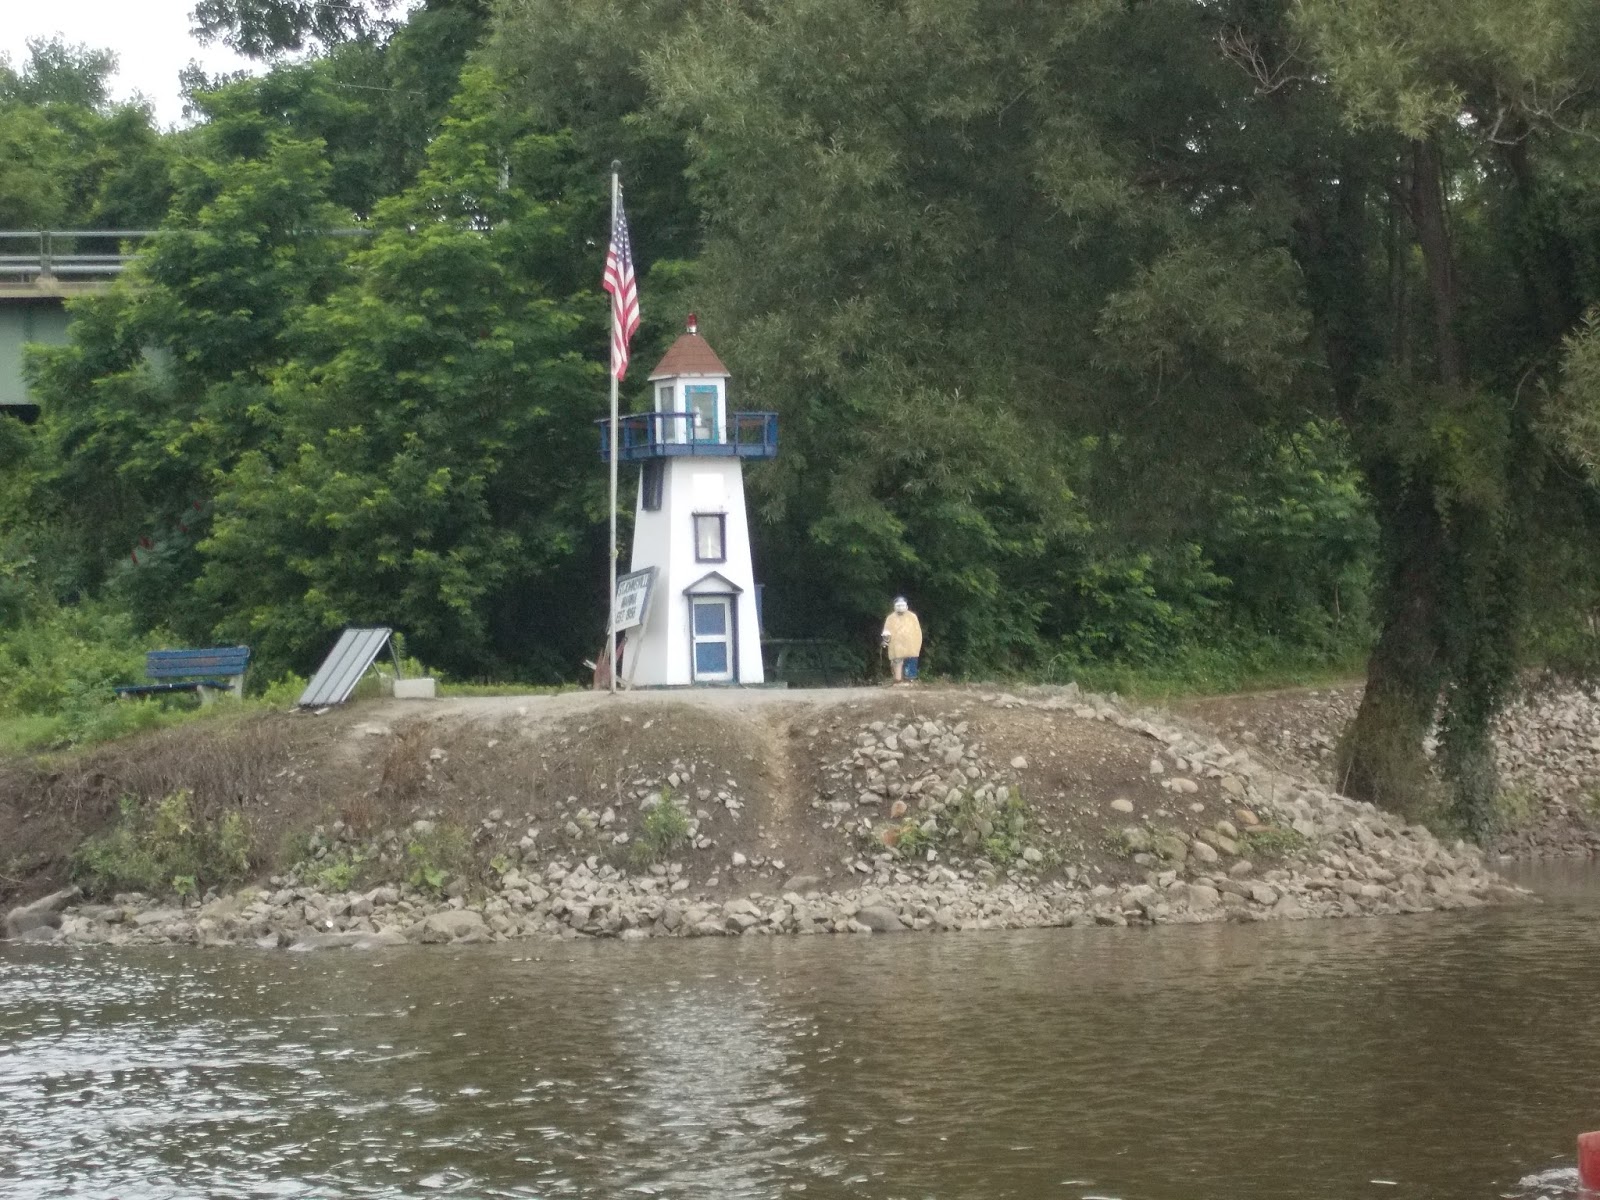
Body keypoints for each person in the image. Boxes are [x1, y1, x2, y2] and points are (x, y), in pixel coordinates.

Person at [880, 596, 923, 684]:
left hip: (911, 644)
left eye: (902, 605)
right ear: (894, 607)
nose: (900, 607)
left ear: (906, 606)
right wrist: (886, 640)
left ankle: (910, 679)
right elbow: (886, 631)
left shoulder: (912, 617)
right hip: (896, 644)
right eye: (898, 605)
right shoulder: (890, 618)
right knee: (897, 660)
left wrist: (917, 643)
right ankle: (898, 679)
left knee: (911, 659)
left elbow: (917, 631)